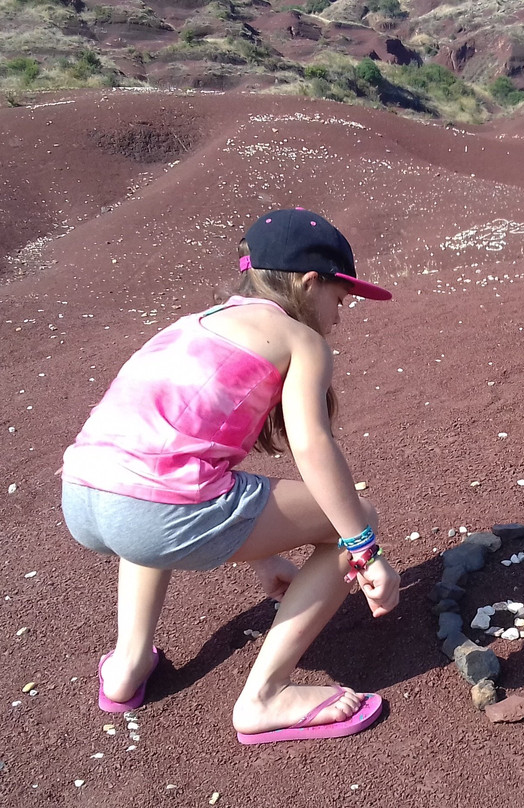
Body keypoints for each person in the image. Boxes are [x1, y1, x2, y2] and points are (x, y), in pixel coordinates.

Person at [60, 207, 401, 745]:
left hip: (82, 494)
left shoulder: (194, 325)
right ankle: (266, 696)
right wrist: (364, 546)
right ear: (310, 283)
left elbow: (162, 450)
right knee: (351, 519)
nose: (340, 314)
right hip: (154, 512)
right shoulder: (300, 339)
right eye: (339, 299)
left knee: (153, 492)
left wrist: (262, 556)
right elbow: (312, 445)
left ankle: (126, 667)